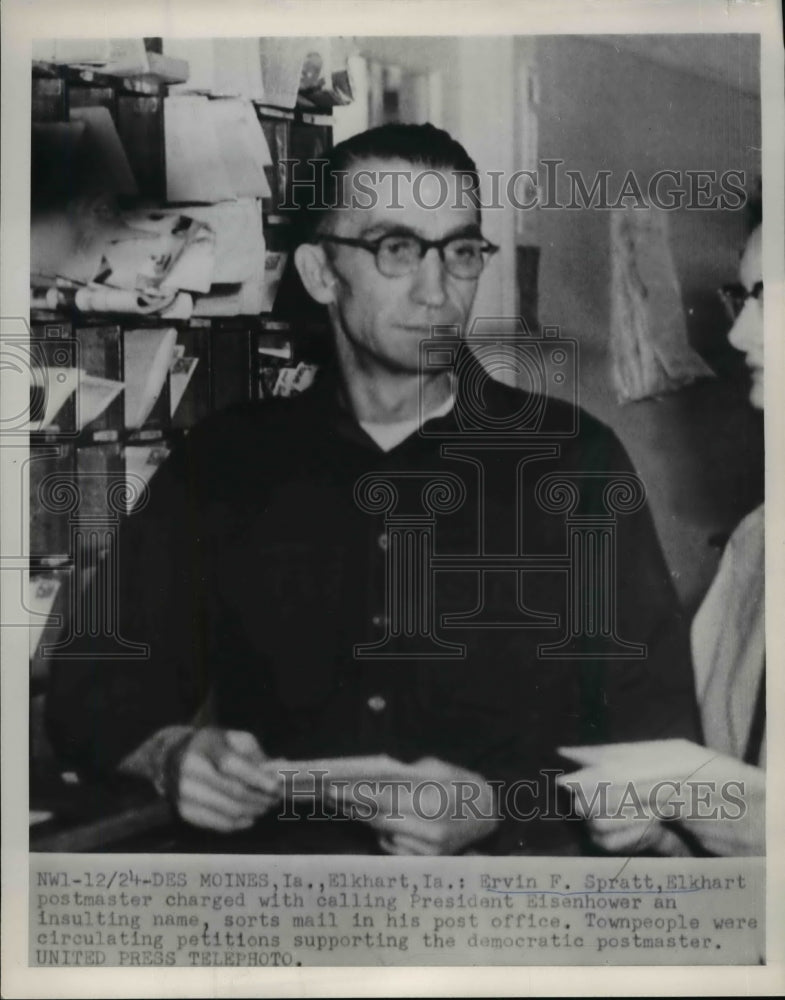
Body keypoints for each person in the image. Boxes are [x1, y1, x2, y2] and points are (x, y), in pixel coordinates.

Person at [45, 123, 700, 855]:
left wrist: (502, 807)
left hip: (506, 916)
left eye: (458, 251)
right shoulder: (226, 463)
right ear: (321, 274)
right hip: (290, 919)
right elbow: (94, 689)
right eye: (396, 248)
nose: (437, 288)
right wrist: (170, 758)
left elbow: (660, 737)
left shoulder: (573, 462)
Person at [580, 219, 765, 857]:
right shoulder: (756, 547)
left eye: (773, 295)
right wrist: (661, 839)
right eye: (745, 298)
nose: (740, 334)